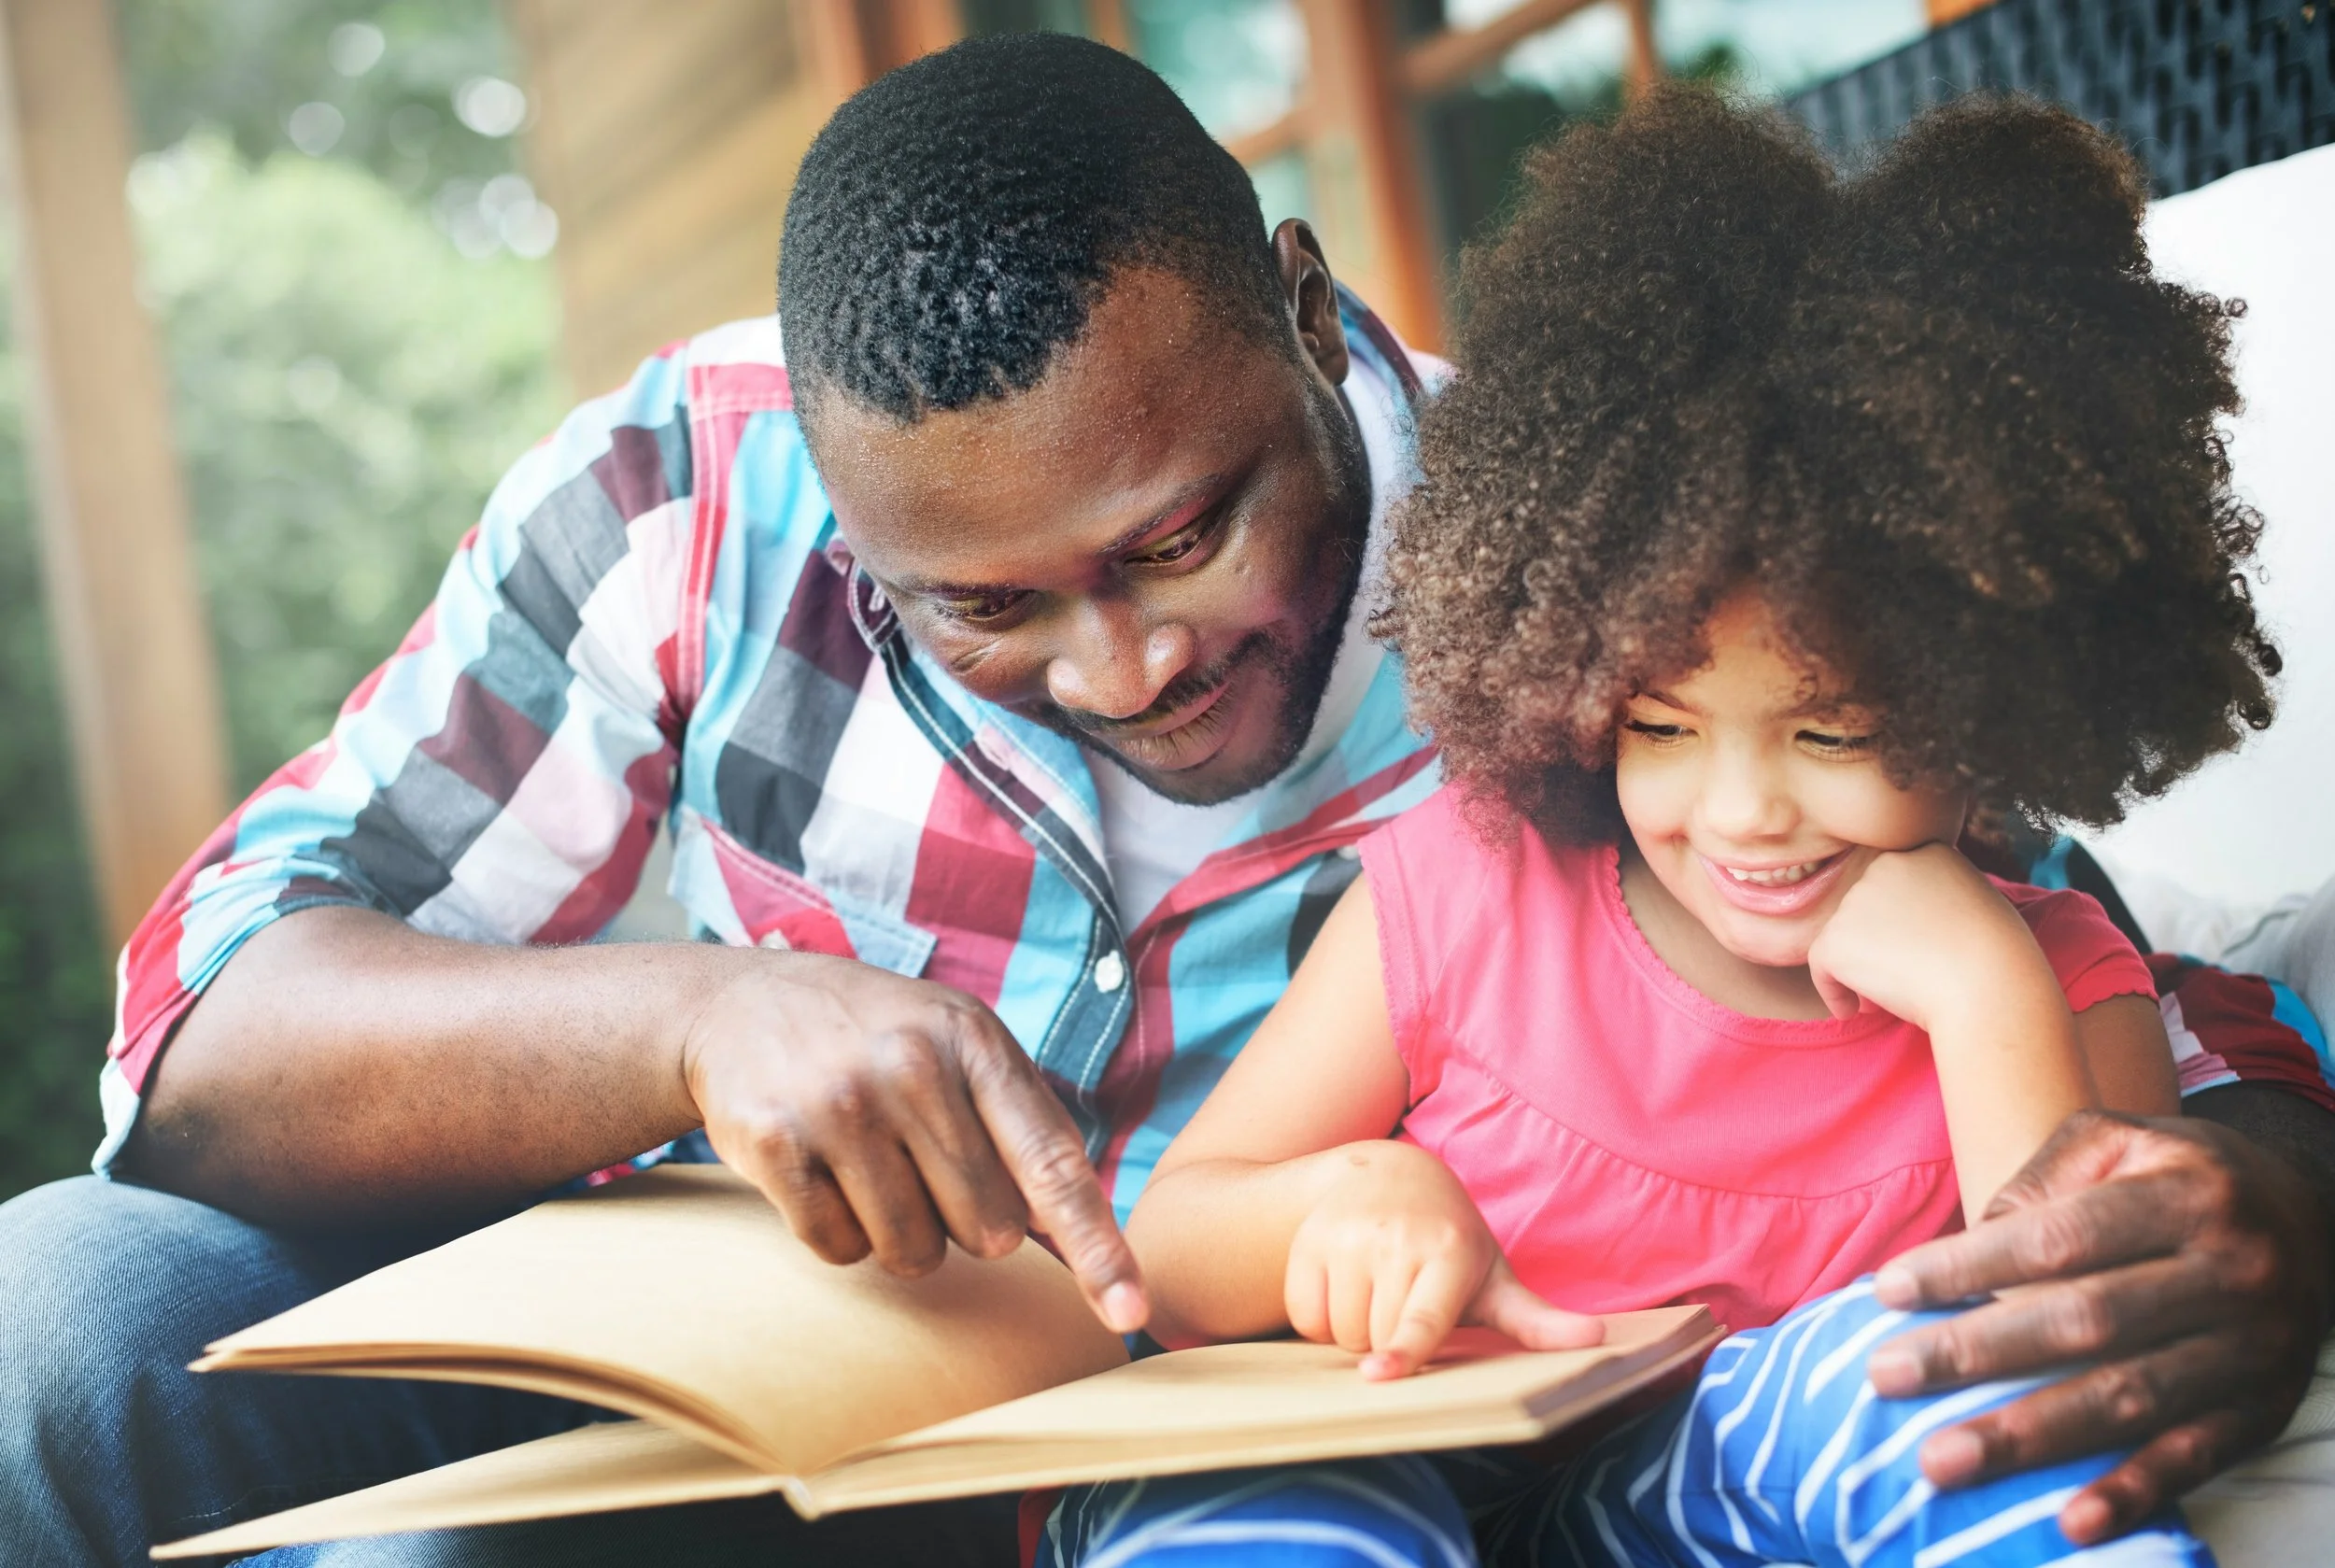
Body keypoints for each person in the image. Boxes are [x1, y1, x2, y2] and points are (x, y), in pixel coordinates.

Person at [0, 34, 2327, 1568]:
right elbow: (201, 1039)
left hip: (1192, 1453)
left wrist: (2253, 1193)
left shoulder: (1605, 573)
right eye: (984, 607)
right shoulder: (680, 495)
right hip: (716, 1371)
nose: (1123, 663)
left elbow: (2068, 964)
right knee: (58, 1318)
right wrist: (688, 1021)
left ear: (1303, 313)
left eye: (1180, 535)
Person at [1045, 90, 2305, 1568]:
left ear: (1998, 707)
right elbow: (1172, 1247)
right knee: (1215, 1499)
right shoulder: (1468, 889)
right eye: (1660, 725)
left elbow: (2070, 1361)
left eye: (1832, 732)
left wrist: (1981, 991)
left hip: (1706, 1499)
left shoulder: (2059, 979)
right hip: (1398, 1453)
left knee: (1913, 1396)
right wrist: (1343, 1202)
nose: (1746, 808)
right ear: (1572, 683)